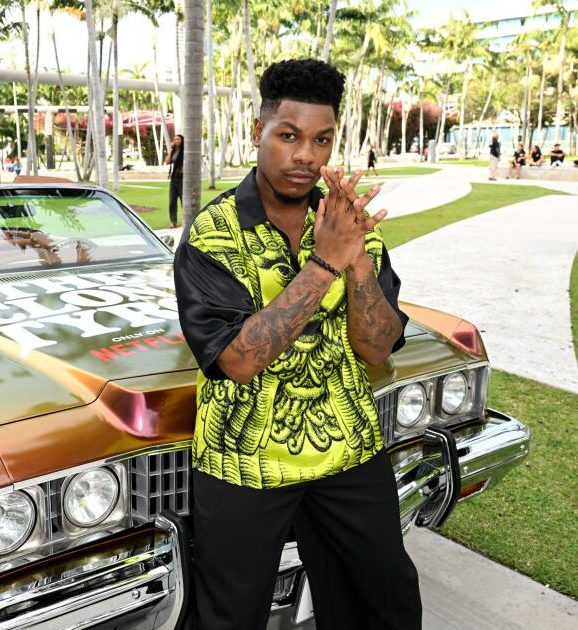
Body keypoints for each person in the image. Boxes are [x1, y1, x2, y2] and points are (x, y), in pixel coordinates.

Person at [174, 58, 419, 630]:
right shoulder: (212, 234)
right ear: (258, 134)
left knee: (387, 602)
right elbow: (236, 360)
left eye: (322, 140)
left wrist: (355, 258)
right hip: (244, 459)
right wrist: (326, 261)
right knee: (229, 618)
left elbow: (377, 348)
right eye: (289, 136)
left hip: (347, 448)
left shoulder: (349, 224)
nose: (306, 155)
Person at [165, 134, 184, 229]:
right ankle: (173, 221)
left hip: (182, 179)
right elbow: (167, 161)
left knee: (184, 201)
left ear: (182, 141)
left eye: (178, 139)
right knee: (172, 201)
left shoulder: (184, 151)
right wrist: (171, 150)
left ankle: (187, 220)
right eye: (174, 139)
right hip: (173, 179)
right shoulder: (174, 151)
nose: (175, 141)